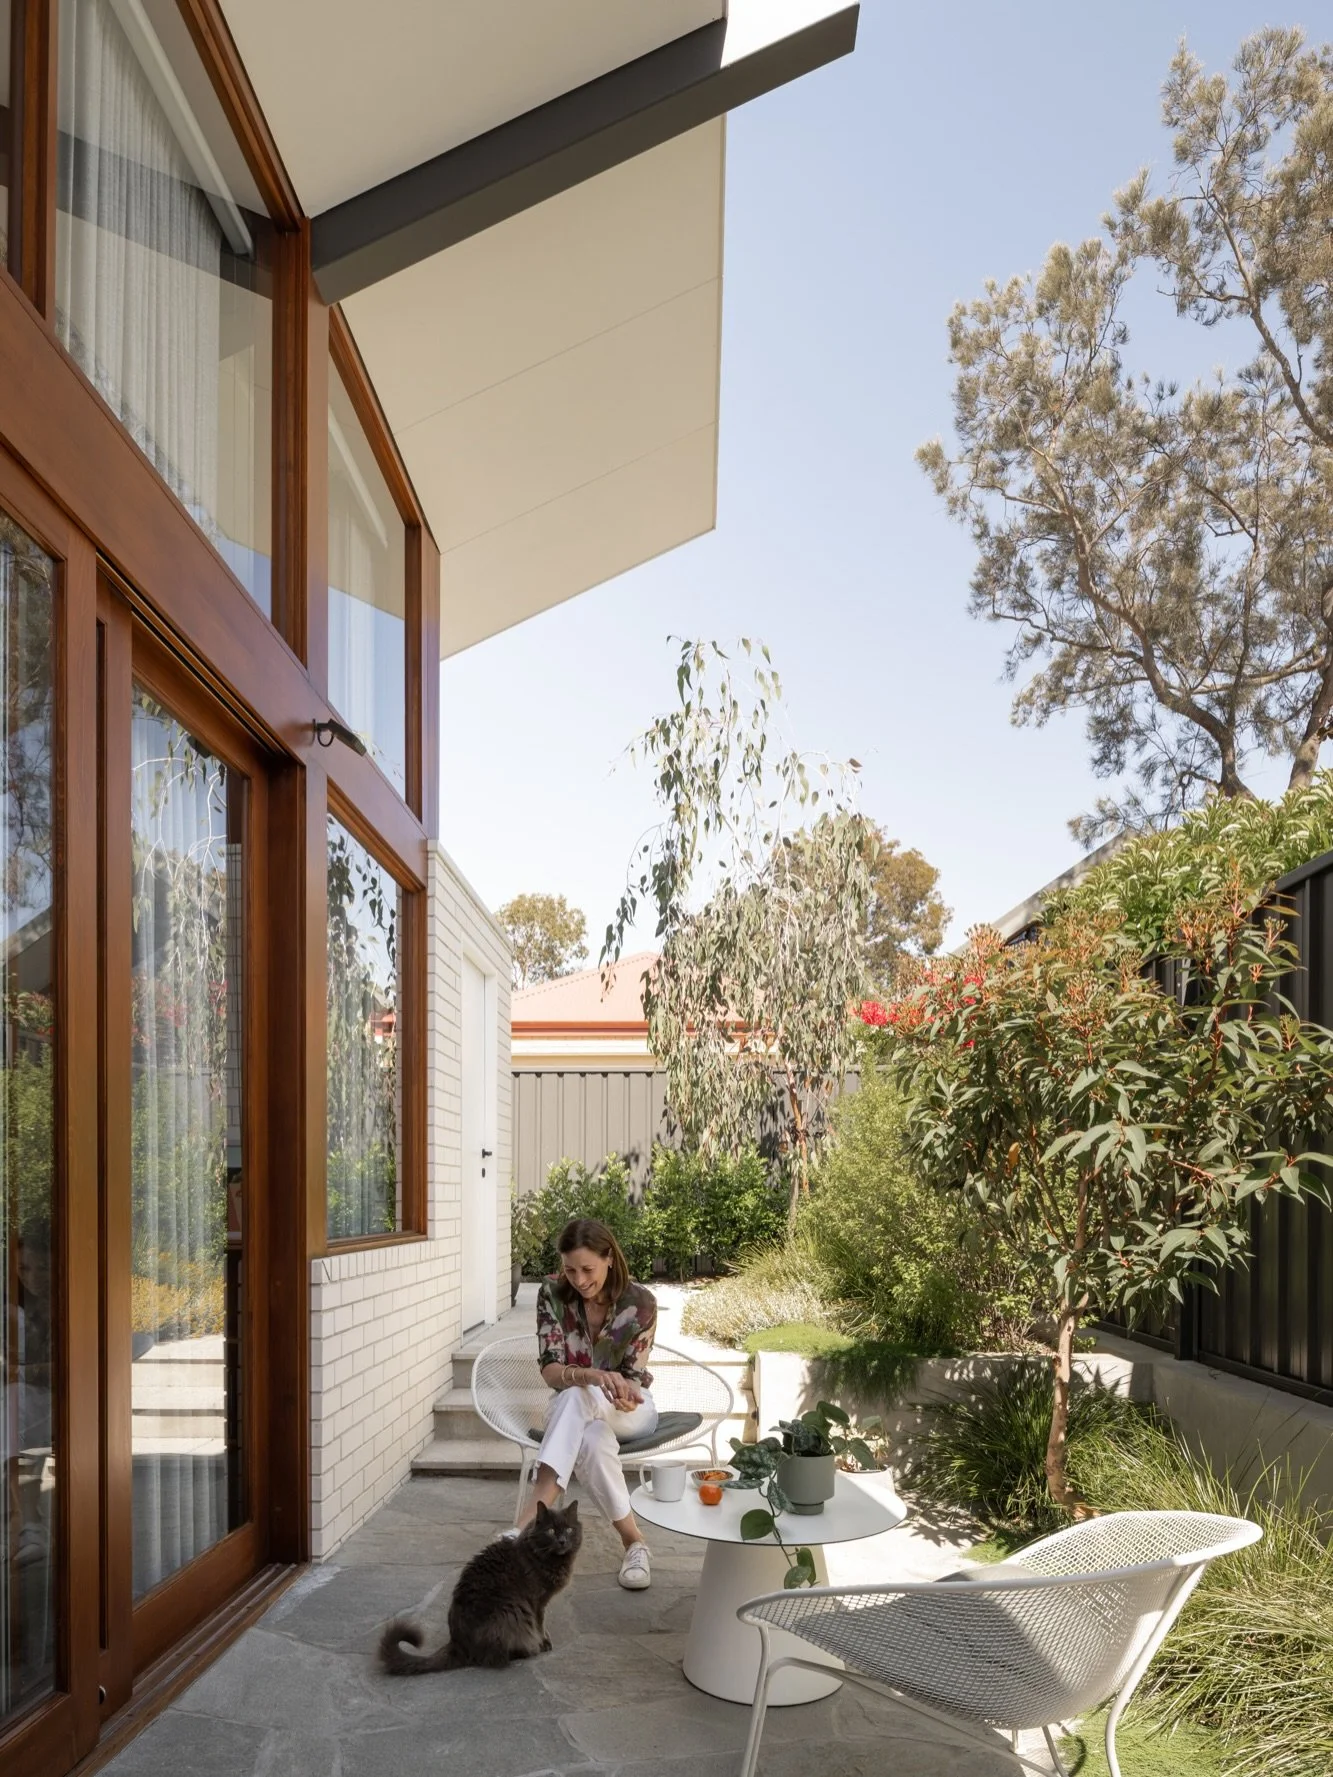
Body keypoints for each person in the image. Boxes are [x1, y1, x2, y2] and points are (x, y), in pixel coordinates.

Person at [515, 1217, 658, 1591]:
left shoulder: (641, 1304)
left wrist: (623, 1394)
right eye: (570, 1270)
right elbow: (550, 1370)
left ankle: (523, 1529)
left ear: (609, 1258)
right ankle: (635, 1544)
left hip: (629, 1411)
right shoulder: (552, 1295)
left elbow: (633, 1377)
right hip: (575, 1408)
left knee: (579, 1401)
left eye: (587, 1269)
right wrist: (591, 1376)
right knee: (591, 1438)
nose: (578, 1280)